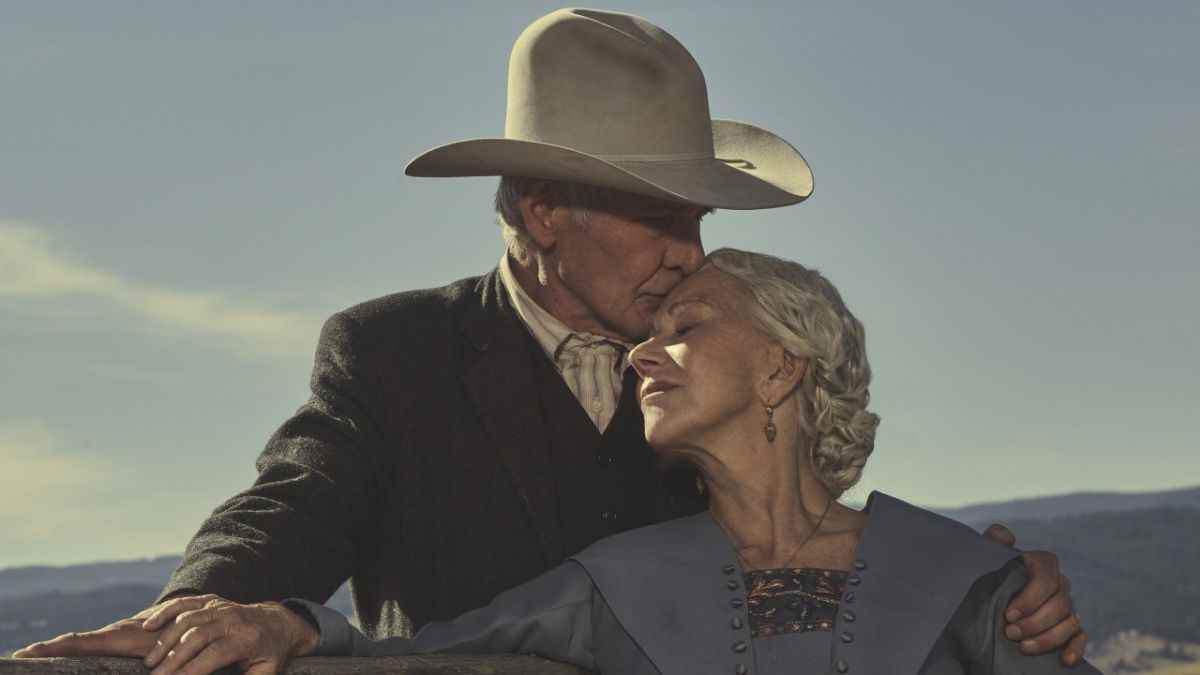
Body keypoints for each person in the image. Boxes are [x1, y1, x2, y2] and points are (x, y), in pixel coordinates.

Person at [13, 7, 1086, 667]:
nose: (688, 250)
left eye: (699, 216)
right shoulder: (395, 355)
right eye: (658, 213)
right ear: (540, 213)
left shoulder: (713, 363)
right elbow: (294, 507)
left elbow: (818, 541)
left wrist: (988, 593)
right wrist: (206, 612)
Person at [130, 249, 1101, 675]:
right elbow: (396, 647)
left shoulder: (969, 578)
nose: (644, 346)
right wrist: (267, 621)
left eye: (685, 328)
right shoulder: (613, 586)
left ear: (778, 370)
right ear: (546, 215)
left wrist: (1011, 575)